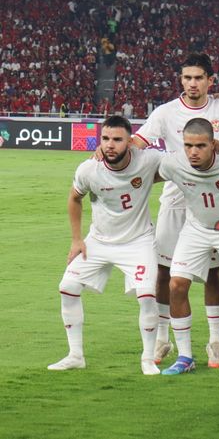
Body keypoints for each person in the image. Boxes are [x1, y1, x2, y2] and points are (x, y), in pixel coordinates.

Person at [133, 53, 219, 370]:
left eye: (198, 77)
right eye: (187, 77)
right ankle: (163, 336)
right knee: (165, 271)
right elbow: (138, 140)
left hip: (216, 202)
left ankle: (215, 342)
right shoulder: (166, 113)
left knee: (215, 273)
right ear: (181, 79)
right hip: (177, 200)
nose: (192, 83)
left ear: (210, 81)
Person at [48, 116, 162, 375]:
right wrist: (77, 239)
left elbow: (182, 164)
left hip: (137, 241)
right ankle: (75, 355)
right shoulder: (89, 169)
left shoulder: (149, 161)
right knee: (67, 288)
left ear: (131, 142)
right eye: (106, 139)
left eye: (118, 139)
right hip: (98, 241)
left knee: (146, 296)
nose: (110, 145)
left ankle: (147, 359)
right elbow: (74, 198)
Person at [157, 118, 219, 376]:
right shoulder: (173, 163)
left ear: (214, 144)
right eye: (188, 145)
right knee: (176, 285)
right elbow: (142, 174)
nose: (193, 152)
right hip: (196, 229)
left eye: (200, 145)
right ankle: (185, 356)